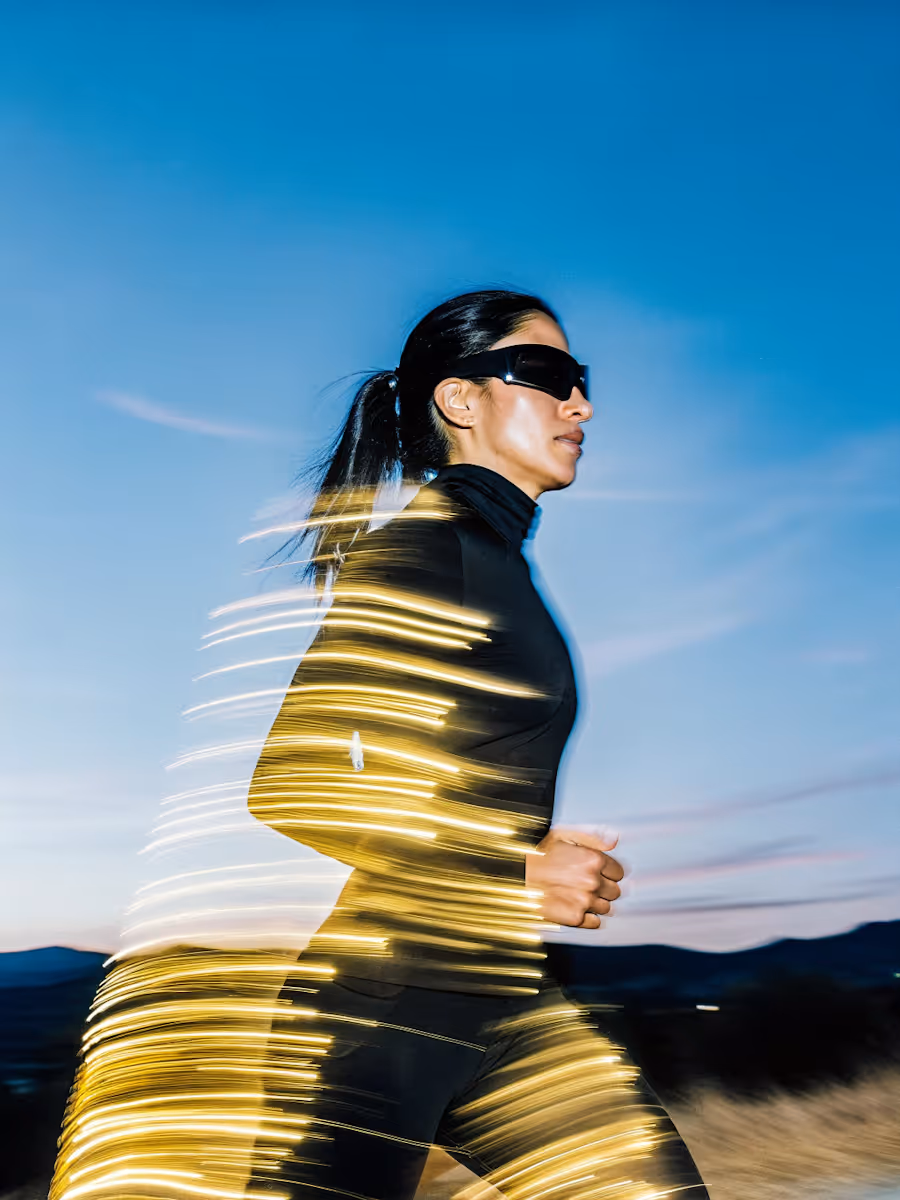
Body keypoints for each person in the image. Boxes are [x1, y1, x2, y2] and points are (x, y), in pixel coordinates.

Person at [247, 290, 708, 1199]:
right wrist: (515, 871)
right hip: (378, 1017)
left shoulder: (494, 560)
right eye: (548, 376)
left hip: (499, 998)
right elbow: (289, 781)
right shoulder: (430, 549)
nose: (581, 405)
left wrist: (530, 851)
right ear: (461, 400)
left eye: (582, 382)